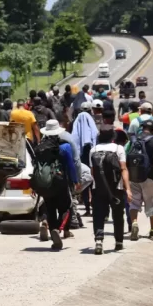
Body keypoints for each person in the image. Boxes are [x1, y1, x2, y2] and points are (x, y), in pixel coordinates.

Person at [35, 121, 79, 250]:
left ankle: (53, 229)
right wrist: (75, 180)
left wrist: (35, 185)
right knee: (66, 207)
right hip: (60, 181)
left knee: (50, 209)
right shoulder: (64, 147)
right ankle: (59, 228)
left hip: (45, 183)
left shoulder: (40, 147)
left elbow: (36, 167)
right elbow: (70, 165)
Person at [90, 126, 131, 255]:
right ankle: (119, 242)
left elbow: (93, 173)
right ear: (113, 136)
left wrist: (91, 191)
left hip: (99, 188)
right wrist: (128, 188)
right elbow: (123, 169)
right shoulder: (119, 149)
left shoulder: (93, 150)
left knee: (99, 214)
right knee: (118, 215)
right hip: (116, 188)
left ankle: (99, 241)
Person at [128, 120, 153, 241]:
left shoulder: (133, 141)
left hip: (133, 176)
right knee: (151, 203)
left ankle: (134, 223)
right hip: (149, 177)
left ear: (142, 128)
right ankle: (152, 230)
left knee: (134, 202)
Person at [72, 102, 98, 216]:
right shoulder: (92, 122)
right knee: (93, 182)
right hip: (92, 157)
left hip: (81, 157)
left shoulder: (76, 121)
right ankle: (95, 207)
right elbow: (95, 135)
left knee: (85, 181)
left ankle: (87, 208)